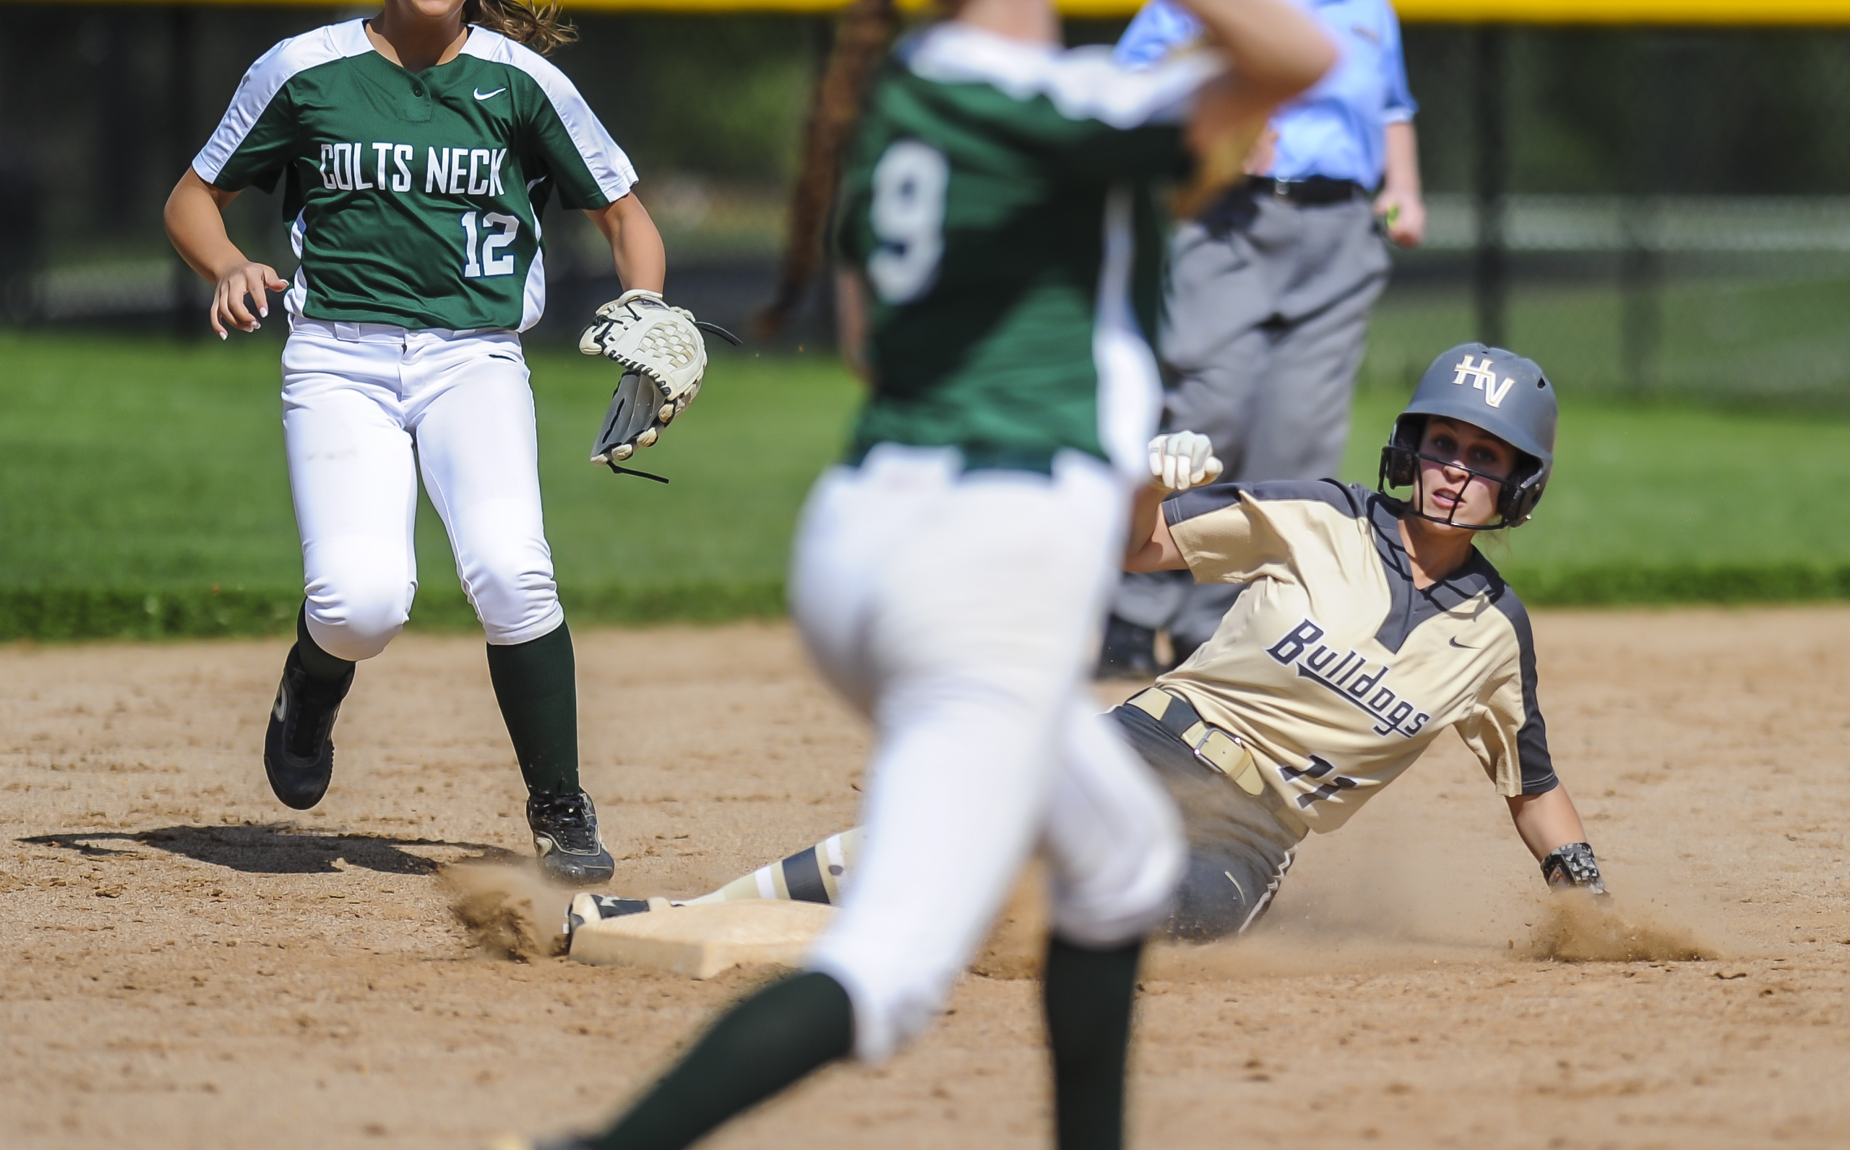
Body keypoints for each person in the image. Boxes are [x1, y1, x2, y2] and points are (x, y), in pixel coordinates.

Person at [508, 0, 1332, 1150]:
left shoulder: (907, 95)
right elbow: (1297, 54)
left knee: (1122, 857)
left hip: (877, 533)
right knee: (885, 972)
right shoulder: (1050, 105)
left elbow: (877, 349)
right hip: (983, 566)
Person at [660, 344, 1608, 942]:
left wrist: (1587, 900)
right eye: (1443, 443)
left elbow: (1530, 782)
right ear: (1409, 449)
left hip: (1253, 836)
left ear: (1518, 484)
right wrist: (1148, 483)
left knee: (1152, 911)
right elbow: (1137, 547)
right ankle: (699, 912)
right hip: (1153, 741)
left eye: (1484, 457)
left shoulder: (1492, 634)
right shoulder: (1319, 516)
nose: (1454, 473)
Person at [162, 0, 674, 885]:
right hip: (337, 358)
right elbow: (190, 196)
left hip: (473, 357)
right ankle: (313, 680)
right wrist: (225, 264)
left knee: (510, 567)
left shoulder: (521, 83)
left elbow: (623, 214)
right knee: (361, 604)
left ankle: (558, 803)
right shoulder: (303, 69)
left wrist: (648, 313)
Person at [1103, 0, 1427, 674]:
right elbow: (1135, 75)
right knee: (1206, 409)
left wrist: (1403, 188)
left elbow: (1391, 105)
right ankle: (1130, 608)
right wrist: (1214, 127)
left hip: (1339, 232)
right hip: (1231, 223)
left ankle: (1223, 624)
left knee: (1295, 438)